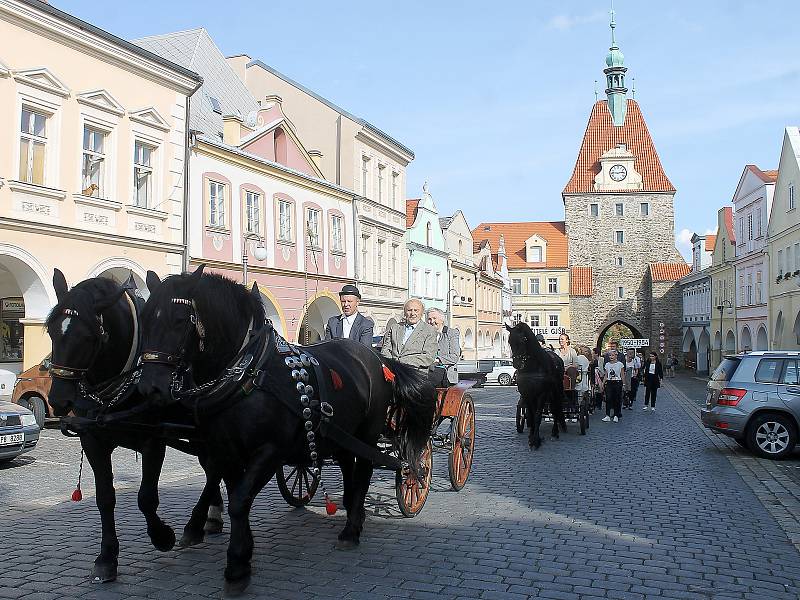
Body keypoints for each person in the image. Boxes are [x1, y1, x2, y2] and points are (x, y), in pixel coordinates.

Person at [381, 299, 437, 370]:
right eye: (409, 310)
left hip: (414, 374)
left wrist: (401, 362)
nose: (412, 313)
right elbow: (386, 350)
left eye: (416, 310)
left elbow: (428, 357)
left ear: (422, 313)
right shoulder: (394, 327)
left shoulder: (429, 330)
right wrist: (391, 365)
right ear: (404, 312)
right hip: (393, 371)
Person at [426, 308, 461, 388]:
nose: (432, 321)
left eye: (434, 318)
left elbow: (455, 356)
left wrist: (437, 360)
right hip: (428, 370)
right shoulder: (426, 334)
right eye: (429, 319)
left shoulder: (452, 333)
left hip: (446, 372)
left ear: (442, 320)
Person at [602, 349, 623, 423]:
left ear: (616, 356)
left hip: (617, 382)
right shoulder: (607, 364)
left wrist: (623, 384)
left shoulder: (620, 364)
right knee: (608, 398)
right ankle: (607, 415)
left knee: (617, 399)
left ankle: (616, 415)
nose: (611, 357)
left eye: (613, 355)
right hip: (609, 382)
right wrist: (603, 383)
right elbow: (606, 375)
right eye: (610, 355)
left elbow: (622, 375)